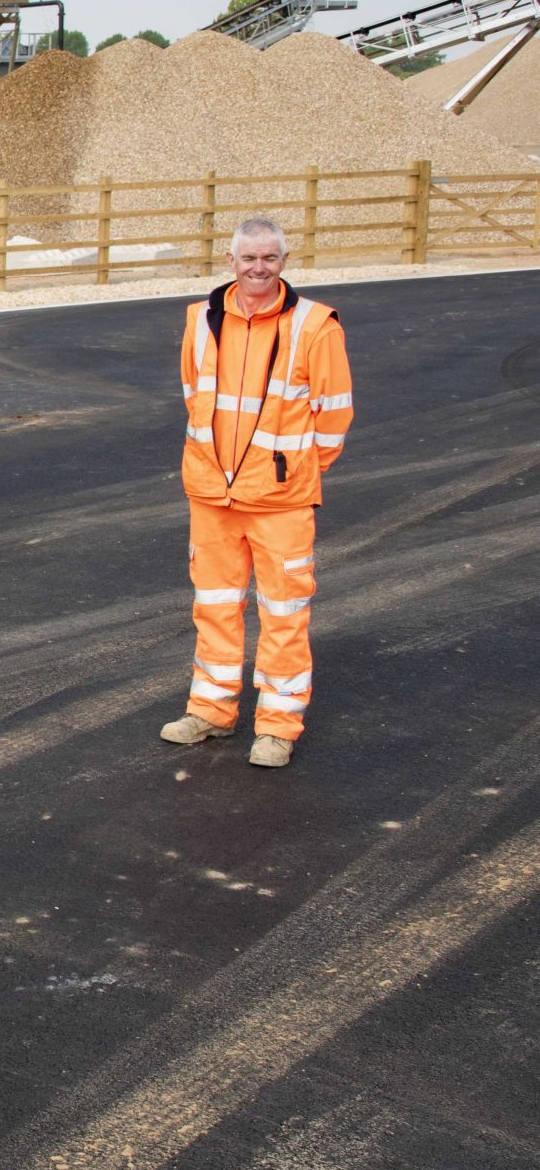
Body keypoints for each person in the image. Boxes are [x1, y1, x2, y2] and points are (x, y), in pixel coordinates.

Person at [160, 217, 353, 768]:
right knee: (214, 608)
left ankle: (277, 725)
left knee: (284, 612)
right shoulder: (201, 320)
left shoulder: (316, 326)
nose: (259, 268)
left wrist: (290, 473)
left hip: (280, 501)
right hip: (212, 496)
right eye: (250, 259)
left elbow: (334, 419)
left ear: (284, 262)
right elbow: (193, 396)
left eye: (269, 258)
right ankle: (211, 711)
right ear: (231, 261)